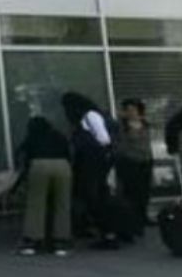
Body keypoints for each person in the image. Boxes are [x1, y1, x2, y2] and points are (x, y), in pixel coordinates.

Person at [62, 93, 119, 250]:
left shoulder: (90, 116)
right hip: (95, 162)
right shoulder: (91, 115)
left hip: (93, 162)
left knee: (94, 196)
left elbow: (103, 139)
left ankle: (108, 233)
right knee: (95, 195)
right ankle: (105, 231)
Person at [13, 116, 73, 257]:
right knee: (62, 204)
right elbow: (68, 152)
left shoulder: (33, 136)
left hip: (39, 165)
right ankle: (61, 242)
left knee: (36, 203)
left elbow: (22, 153)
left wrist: (23, 172)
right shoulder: (59, 135)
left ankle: (33, 242)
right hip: (62, 166)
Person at [115, 99, 153, 237]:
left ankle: (143, 216)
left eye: (133, 110)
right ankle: (132, 220)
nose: (131, 113)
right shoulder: (121, 126)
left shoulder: (145, 124)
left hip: (145, 161)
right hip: (129, 161)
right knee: (131, 192)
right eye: (128, 110)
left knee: (144, 191)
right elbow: (120, 145)